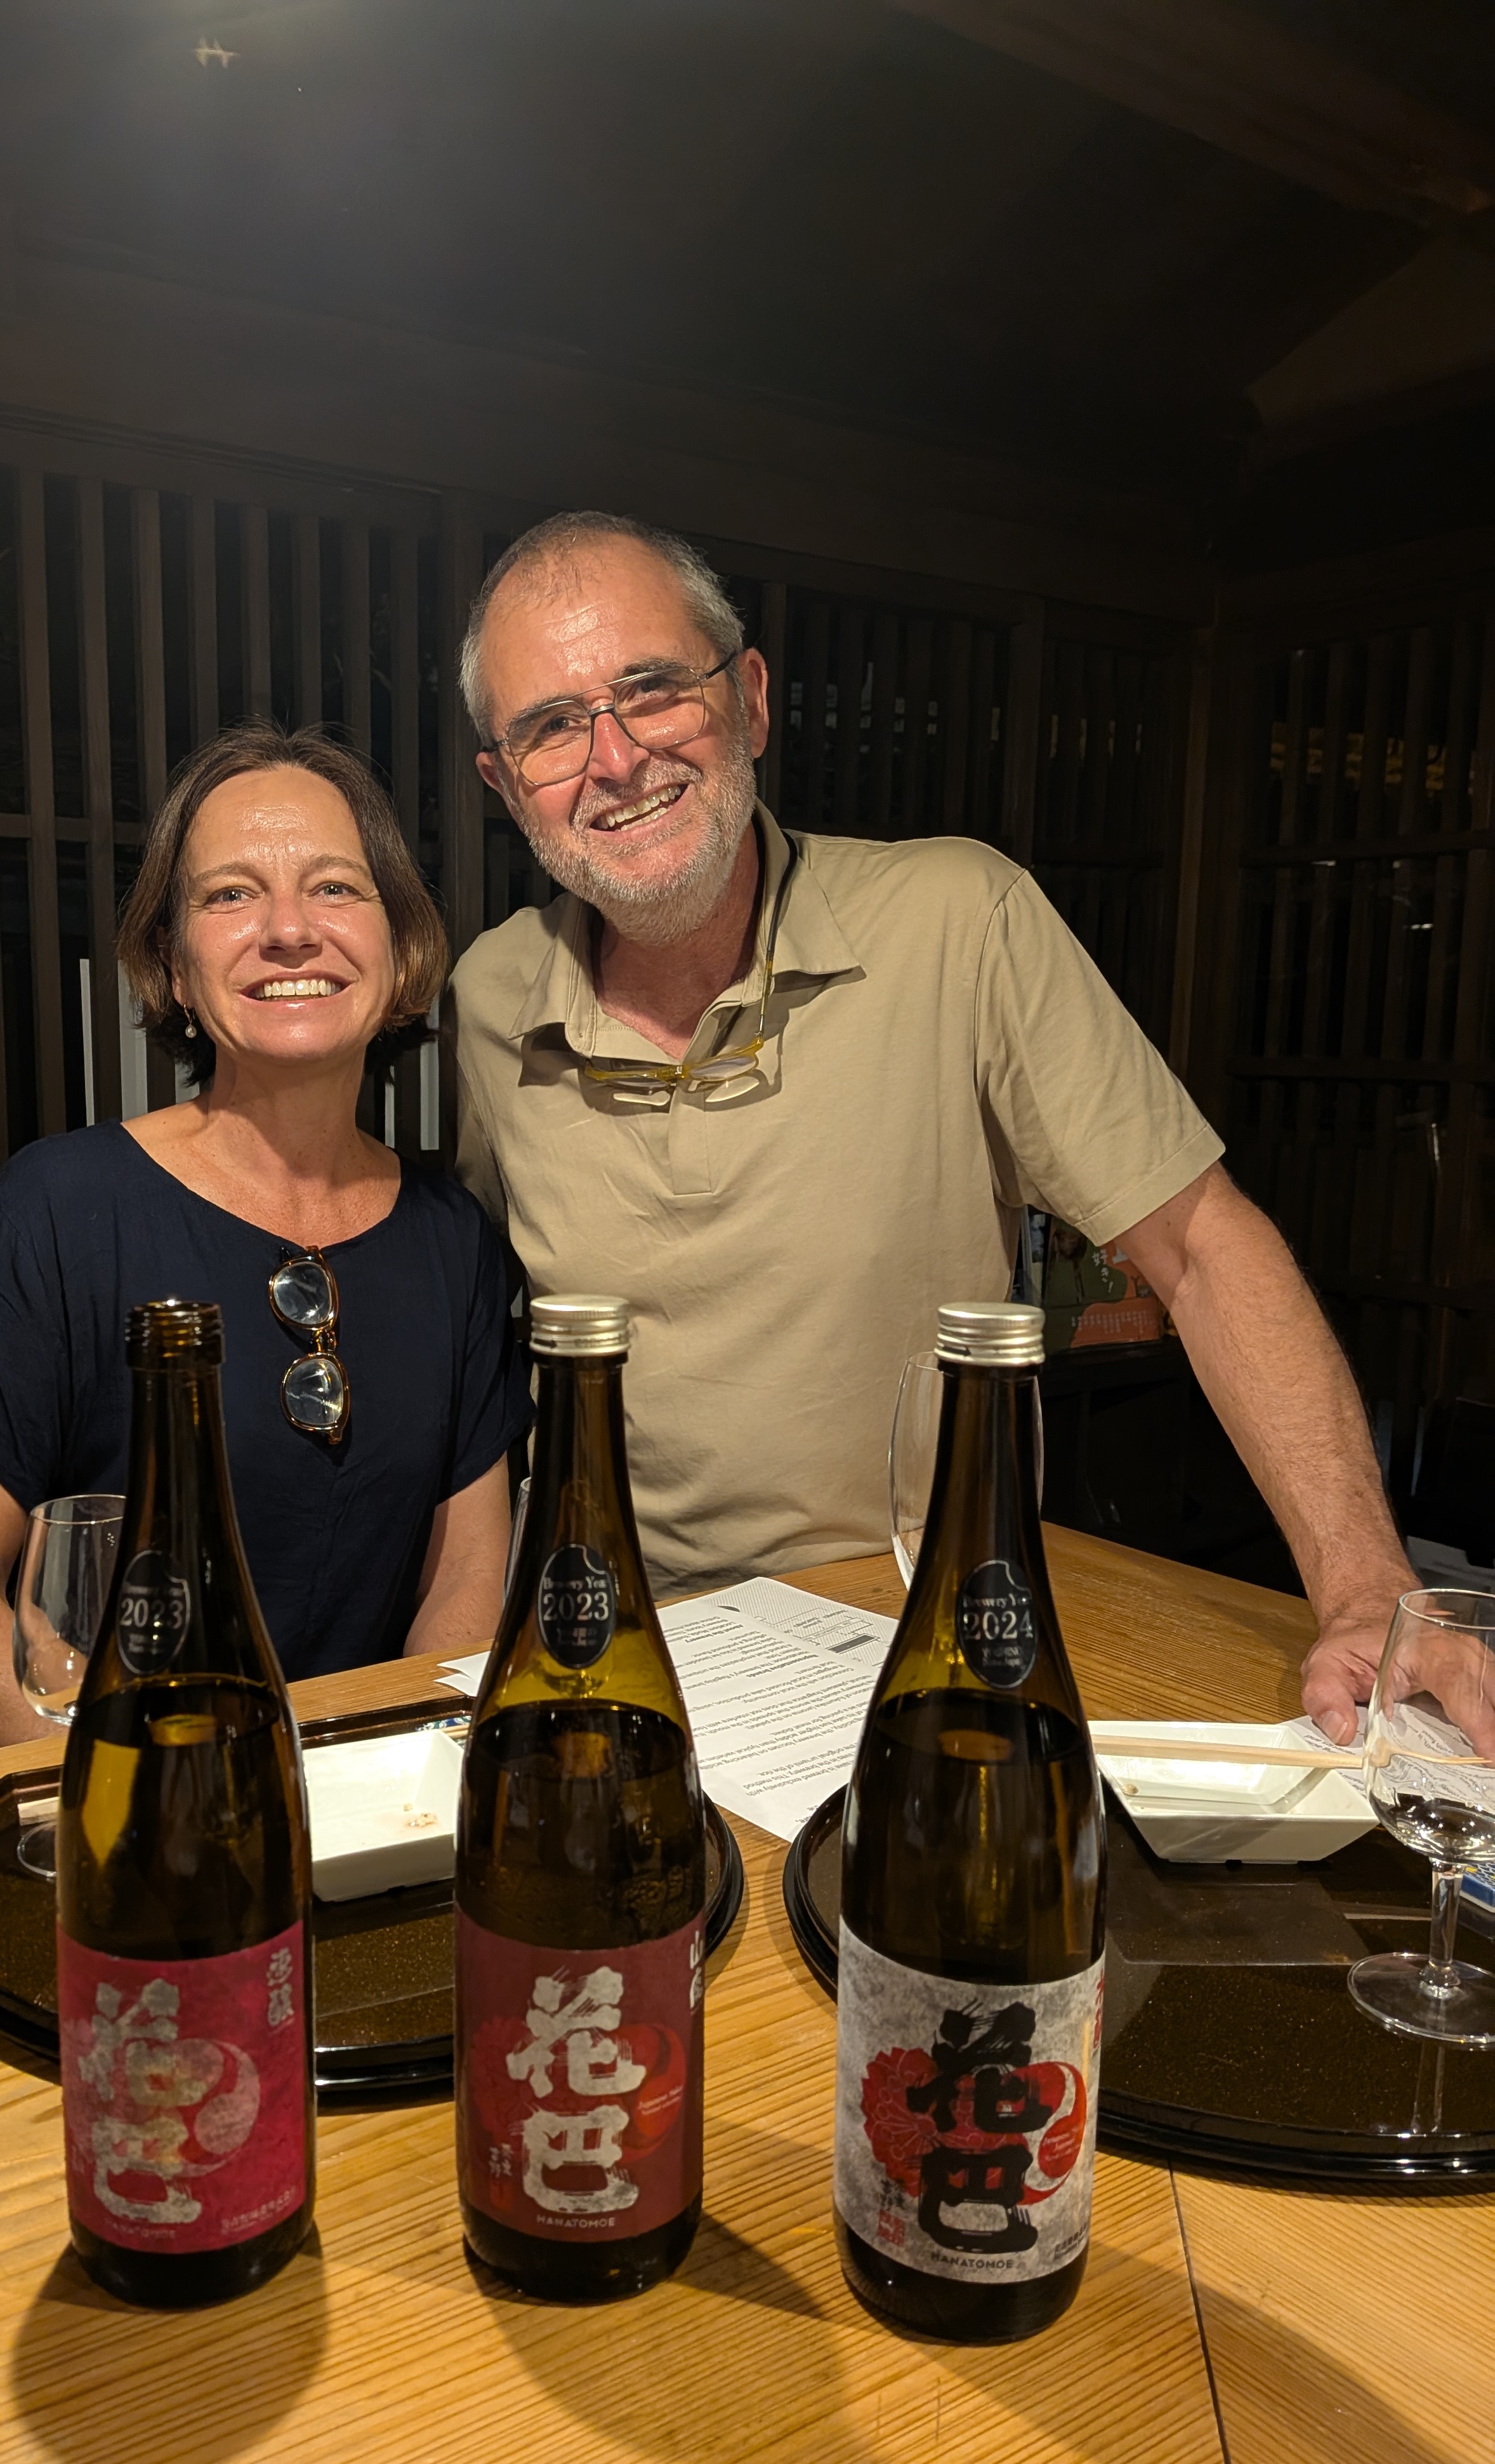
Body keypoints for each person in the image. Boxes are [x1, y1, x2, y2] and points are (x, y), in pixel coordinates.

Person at [446, 511, 1449, 1752]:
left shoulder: (958, 918)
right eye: (551, 726)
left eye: (653, 688)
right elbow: (467, 1326)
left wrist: (1367, 1590)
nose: (615, 756)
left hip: (915, 1636)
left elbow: (1201, 1247)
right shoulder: (490, 995)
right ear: (504, 784)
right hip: (608, 1648)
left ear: (749, 698)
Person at [0, 724, 529, 1769]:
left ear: (403, 948)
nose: (289, 930)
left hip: (347, 1796)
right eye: (230, 895)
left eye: (336, 888)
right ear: (174, 966)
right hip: (79, 1795)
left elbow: (465, 1588)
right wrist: (157, 1813)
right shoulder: (60, 1209)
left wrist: (409, 1784)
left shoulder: (456, 1241)